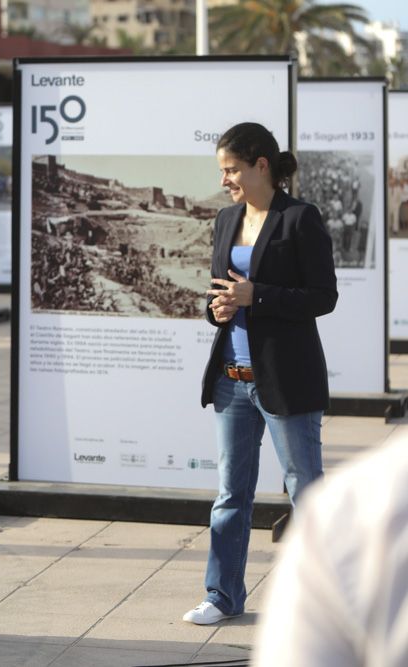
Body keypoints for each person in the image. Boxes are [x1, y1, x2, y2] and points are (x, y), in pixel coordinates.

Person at [184, 122, 338, 625]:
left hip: (286, 379)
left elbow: (323, 297)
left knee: (305, 490)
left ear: (261, 166)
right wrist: (220, 310)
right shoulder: (226, 220)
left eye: (231, 169)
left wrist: (259, 295)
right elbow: (216, 294)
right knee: (231, 494)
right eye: (223, 170)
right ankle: (223, 596)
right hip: (232, 377)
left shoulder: (300, 218)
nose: (225, 179)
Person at [251, 431, 408, 667]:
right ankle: (220, 595)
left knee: (301, 480)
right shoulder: (358, 505)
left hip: (288, 401)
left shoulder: (355, 506)